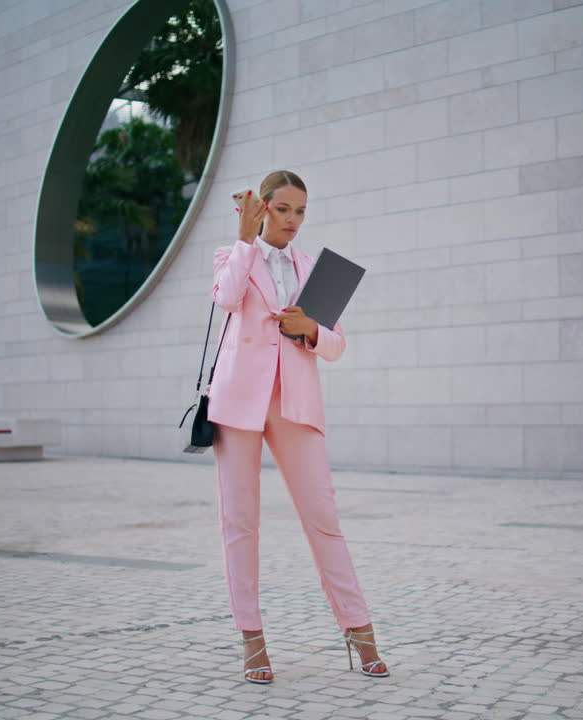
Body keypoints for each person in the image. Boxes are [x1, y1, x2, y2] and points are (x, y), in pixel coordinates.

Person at [207, 170, 388, 684]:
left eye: (301, 211)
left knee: (323, 517)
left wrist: (310, 329)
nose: (293, 220)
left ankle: (360, 632)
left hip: (296, 402)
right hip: (238, 402)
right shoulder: (231, 254)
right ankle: (252, 640)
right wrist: (246, 241)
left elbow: (336, 344)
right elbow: (226, 298)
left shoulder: (315, 267)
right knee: (240, 522)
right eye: (283, 209)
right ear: (262, 207)